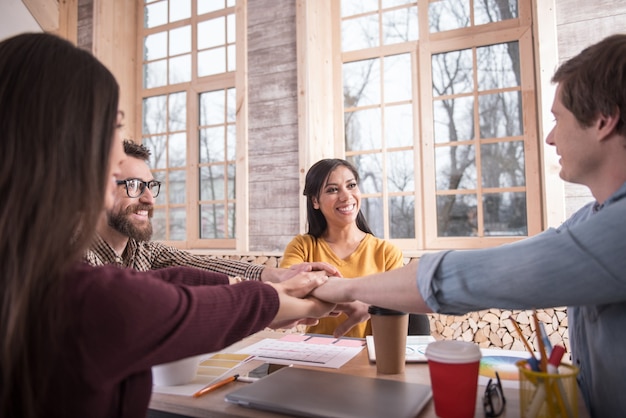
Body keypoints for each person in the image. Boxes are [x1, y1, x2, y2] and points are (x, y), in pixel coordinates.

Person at [0, 32, 335, 418]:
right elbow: (151, 302)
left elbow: (179, 277)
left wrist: (273, 280)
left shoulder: (40, 273)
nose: (145, 195)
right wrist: (288, 298)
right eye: (114, 127)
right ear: (67, 144)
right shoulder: (80, 293)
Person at [311, 34, 626, 417]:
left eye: (558, 118)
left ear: (603, 120)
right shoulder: (591, 218)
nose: (549, 136)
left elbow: (478, 275)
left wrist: (345, 287)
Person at [85, 139, 340, 283]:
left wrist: (273, 273)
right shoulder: (72, 258)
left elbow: (201, 264)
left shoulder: (143, 251)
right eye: (133, 186)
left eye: (151, 186)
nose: (149, 198)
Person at [280, 158, 429, 338]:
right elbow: (287, 291)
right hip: (317, 352)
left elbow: (395, 307)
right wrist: (362, 296)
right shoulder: (302, 247)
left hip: (371, 355)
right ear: (315, 201)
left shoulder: (386, 252)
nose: (346, 196)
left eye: (351, 186)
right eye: (333, 189)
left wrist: (317, 289)